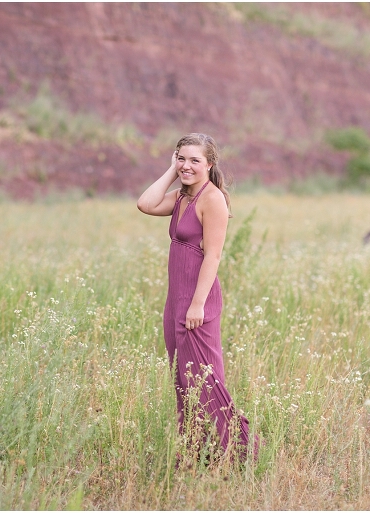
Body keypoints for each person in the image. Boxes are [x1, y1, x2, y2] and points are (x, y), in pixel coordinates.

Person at [137, 133, 259, 463]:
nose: (187, 165)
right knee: (182, 380)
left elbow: (213, 257)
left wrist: (197, 305)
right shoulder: (180, 197)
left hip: (197, 301)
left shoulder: (212, 199)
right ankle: (197, 453)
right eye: (182, 158)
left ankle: (242, 451)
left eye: (195, 160)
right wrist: (172, 172)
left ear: (210, 163)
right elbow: (145, 204)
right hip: (175, 299)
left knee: (205, 379)